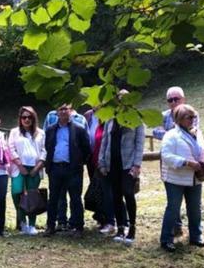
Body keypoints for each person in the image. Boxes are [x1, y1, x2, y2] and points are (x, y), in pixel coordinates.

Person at [159, 104, 204, 252]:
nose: (192, 120)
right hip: (175, 179)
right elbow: (166, 156)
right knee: (173, 208)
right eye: (188, 117)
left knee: (195, 208)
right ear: (178, 119)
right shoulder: (171, 135)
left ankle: (196, 236)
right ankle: (166, 239)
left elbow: (203, 156)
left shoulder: (197, 134)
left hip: (195, 178)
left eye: (193, 117)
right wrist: (186, 162)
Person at [44, 104, 92, 237]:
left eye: (66, 109)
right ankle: (51, 226)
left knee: (75, 199)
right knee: (53, 199)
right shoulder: (50, 130)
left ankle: (78, 227)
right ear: (56, 112)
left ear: (71, 112)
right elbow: (47, 147)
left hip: (73, 169)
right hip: (55, 168)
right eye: (61, 109)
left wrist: (79, 162)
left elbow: (87, 149)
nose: (64, 111)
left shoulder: (79, 129)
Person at [98, 115, 145, 245]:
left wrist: (137, 164)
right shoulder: (110, 120)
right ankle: (120, 228)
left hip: (128, 164)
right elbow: (104, 142)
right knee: (116, 196)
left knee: (128, 193)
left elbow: (140, 143)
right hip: (112, 164)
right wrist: (101, 163)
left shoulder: (136, 119)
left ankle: (132, 227)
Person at [7, 106, 45, 236]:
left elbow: (44, 151)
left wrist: (37, 167)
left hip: (35, 168)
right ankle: (22, 222)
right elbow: (11, 149)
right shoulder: (14, 132)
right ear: (20, 119)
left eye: (29, 117)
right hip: (19, 168)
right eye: (24, 117)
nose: (27, 119)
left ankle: (32, 224)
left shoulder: (40, 133)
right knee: (17, 193)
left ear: (33, 118)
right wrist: (20, 165)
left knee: (32, 196)